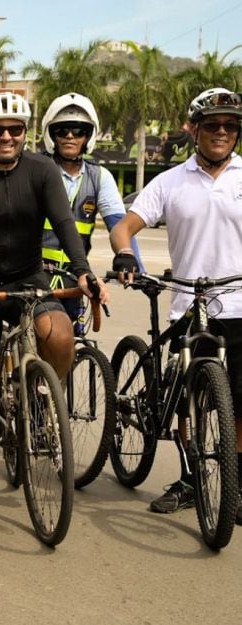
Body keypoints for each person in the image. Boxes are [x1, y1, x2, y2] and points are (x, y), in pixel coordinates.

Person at [0, 91, 106, 514]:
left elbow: (64, 222)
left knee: (59, 337)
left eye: (14, 129)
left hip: (28, 278)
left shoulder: (41, 170)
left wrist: (84, 270)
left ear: (25, 132)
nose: (5, 137)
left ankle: (39, 393)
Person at [110, 87, 242, 523]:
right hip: (190, 301)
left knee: (238, 402)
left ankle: (234, 481)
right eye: (212, 125)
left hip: (240, 303)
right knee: (189, 401)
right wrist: (125, 253)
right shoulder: (169, 181)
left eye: (229, 125)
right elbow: (123, 228)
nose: (221, 132)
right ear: (194, 129)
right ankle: (189, 479)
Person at [39, 92, 141, 318]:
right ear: (50, 134)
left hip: (75, 276)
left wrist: (131, 260)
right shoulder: (35, 169)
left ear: (89, 136)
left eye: (79, 130)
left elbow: (119, 224)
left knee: (73, 342)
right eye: (61, 130)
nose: (69, 136)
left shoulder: (100, 177)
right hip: (34, 274)